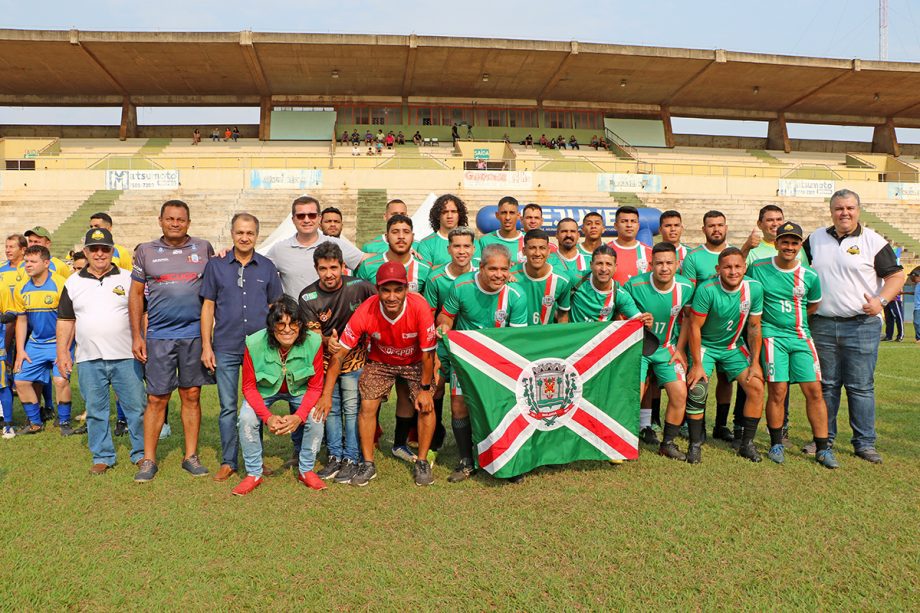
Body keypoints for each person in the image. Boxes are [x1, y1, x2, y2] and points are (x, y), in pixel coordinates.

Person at [802, 189, 905, 463]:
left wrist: (881, 301)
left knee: (860, 387)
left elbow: (897, 275)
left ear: (858, 210)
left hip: (861, 325)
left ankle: (864, 443)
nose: (844, 213)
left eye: (849, 208)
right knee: (827, 386)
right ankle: (823, 439)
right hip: (822, 324)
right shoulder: (814, 240)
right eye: (838, 208)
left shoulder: (873, 241)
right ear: (831, 211)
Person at [319, 262, 437, 487]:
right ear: (377, 290)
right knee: (367, 406)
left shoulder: (420, 307)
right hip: (380, 361)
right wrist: (326, 394)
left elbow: (428, 355)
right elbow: (339, 355)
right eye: (386, 290)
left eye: (398, 290)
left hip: (414, 362)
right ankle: (368, 464)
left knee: (426, 405)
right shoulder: (366, 310)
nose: (392, 297)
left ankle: (421, 461)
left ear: (406, 289)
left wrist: (424, 391)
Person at [131, 200, 215, 482]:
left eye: (181, 219)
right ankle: (149, 459)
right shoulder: (146, 251)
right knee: (156, 398)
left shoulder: (204, 248)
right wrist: (137, 336)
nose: (175, 223)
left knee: (191, 395)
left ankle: (190, 455)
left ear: (188, 222)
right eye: (170, 219)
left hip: (194, 334)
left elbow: (214, 291)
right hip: (158, 336)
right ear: (161, 221)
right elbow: (135, 296)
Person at [746, 222, 838, 468]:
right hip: (772, 337)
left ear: (800, 246)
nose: (789, 246)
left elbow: (813, 305)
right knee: (778, 392)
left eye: (794, 242)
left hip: (800, 337)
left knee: (815, 391)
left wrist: (794, 322)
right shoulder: (758, 268)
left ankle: (822, 448)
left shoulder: (809, 275)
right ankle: (777, 442)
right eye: (784, 242)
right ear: (776, 243)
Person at [200, 213, 283, 483]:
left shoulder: (268, 267)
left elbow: (275, 308)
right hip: (225, 345)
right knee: (227, 407)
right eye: (239, 233)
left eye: (249, 233)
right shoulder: (217, 266)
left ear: (256, 235)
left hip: (259, 349)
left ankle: (255, 461)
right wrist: (206, 346)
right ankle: (228, 461)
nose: (244, 237)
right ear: (232, 234)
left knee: (256, 406)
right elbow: (208, 306)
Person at [55, 228, 146, 474]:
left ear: (112, 250)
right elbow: (65, 320)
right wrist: (63, 352)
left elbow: (143, 313)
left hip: (126, 356)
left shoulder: (128, 278)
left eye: (105, 248)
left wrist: (144, 341)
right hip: (88, 358)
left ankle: (141, 453)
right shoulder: (73, 282)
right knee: (96, 410)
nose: (99, 253)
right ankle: (103, 455)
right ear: (85, 251)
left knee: (136, 407)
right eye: (93, 249)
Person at [436, 244, 528, 484]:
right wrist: (444, 324)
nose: (499, 274)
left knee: (501, 407)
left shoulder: (517, 295)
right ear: (481, 267)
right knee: (458, 406)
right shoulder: (462, 285)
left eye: (504, 269)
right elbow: (446, 314)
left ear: (510, 270)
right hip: (465, 358)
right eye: (493, 269)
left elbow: (517, 340)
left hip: (500, 360)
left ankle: (506, 459)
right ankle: (467, 461)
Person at [232, 297, 327, 496]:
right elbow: (249, 387)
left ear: (300, 324)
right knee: (246, 418)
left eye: (293, 323)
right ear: (272, 325)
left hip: (300, 391)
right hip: (264, 391)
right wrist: (268, 417)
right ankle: (254, 473)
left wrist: (299, 416)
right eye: (280, 323)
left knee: (316, 417)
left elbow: (316, 387)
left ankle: (306, 469)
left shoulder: (314, 341)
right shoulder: (254, 342)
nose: (287, 329)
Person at [299, 242, 376, 483]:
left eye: (334, 267)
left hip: (355, 361)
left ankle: (351, 459)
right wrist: (326, 341)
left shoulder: (360, 287)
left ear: (343, 266)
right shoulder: (308, 295)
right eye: (323, 269)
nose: (329, 274)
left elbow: (381, 305)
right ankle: (334, 456)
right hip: (324, 363)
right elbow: (311, 335)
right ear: (316, 269)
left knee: (353, 410)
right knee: (329, 410)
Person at [686, 248, 765, 463]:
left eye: (737, 266)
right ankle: (694, 445)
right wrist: (697, 364)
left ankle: (746, 444)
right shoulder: (706, 289)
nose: (733, 271)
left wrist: (755, 363)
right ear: (718, 269)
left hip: (732, 347)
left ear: (744, 267)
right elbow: (694, 327)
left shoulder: (754, 288)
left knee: (756, 387)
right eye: (727, 267)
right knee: (698, 387)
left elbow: (754, 327)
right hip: (706, 346)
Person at [624, 243, 693, 459]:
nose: (664, 268)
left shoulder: (686, 287)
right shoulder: (634, 285)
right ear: (651, 264)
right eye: (659, 263)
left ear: (677, 264)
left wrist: (680, 349)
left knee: (680, 393)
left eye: (669, 263)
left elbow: (688, 319)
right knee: (634, 393)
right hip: (639, 348)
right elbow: (620, 312)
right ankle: (624, 441)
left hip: (667, 348)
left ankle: (668, 443)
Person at [680, 210, 736, 440]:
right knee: (698, 376)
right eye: (711, 225)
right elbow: (689, 296)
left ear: (726, 227)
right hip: (701, 329)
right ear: (703, 229)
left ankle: (721, 425)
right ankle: (695, 423)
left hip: (731, 330)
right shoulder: (693, 257)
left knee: (726, 378)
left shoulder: (735, 255)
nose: (716, 229)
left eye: (720, 225)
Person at [11, 246, 78, 435]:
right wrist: (21, 351)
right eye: (26, 261)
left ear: (46, 263)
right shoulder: (21, 288)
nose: (28, 265)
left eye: (33, 261)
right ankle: (35, 423)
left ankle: (64, 422)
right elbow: (22, 320)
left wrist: (64, 349)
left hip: (59, 343)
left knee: (60, 380)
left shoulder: (61, 284)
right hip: (35, 344)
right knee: (21, 381)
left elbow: (71, 320)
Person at [265, 196, 365, 299]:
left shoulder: (336, 244)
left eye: (311, 215)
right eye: (301, 216)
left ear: (319, 218)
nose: (306, 220)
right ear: (293, 220)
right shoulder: (279, 250)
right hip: (296, 313)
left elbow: (367, 261)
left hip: (332, 313)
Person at [569, 245, 650, 325]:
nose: (604, 269)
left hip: (599, 337)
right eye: (599, 263)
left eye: (608, 264)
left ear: (615, 267)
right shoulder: (576, 279)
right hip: (574, 336)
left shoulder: (620, 294)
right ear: (591, 265)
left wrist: (646, 322)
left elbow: (639, 321)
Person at [355, 214, 431, 295]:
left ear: (412, 237)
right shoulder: (367, 267)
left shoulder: (425, 269)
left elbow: (427, 305)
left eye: (406, 232)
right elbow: (357, 301)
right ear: (387, 237)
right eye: (395, 232)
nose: (401, 236)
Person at [512, 229, 571, 325]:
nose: (537, 253)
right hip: (516, 336)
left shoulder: (562, 280)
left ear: (548, 251)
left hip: (547, 337)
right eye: (532, 248)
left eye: (542, 248)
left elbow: (563, 316)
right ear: (524, 251)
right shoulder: (510, 275)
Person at [417, 194, 470, 267]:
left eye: (453, 211)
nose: (449, 216)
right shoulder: (426, 244)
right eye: (445, 212)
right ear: (438, 215)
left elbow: (476, 270)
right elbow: (426, 273)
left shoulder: (472, 242)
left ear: (459, 214)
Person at [608, 206, 652, 284]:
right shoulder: (605, 251)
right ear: (615, 226)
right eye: (624, 221)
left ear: (638, 226)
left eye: (633, 221)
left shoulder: (650, 252)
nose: (629, 225)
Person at [477, 196, 524, 263]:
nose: (507, 217)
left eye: (512, 213)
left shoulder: (527, 240)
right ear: (497, 215)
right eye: (504, 213)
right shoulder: (485, 241)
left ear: (518, 215)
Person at [548, 217, 591, 282]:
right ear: (556, 235)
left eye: (572, 231)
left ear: (578, 235)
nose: (568, 235)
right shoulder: (548, 261)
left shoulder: (590, 261)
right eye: (564, 231)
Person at [910, 265, 920, 343]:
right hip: (917, 307)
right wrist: (903, 292)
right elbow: (915, 293)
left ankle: (919, 338)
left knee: (916, 322)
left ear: (917, 276)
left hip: (919, 308)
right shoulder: (917, 285)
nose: (911, 278)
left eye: (912, 277)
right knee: (916, 322)